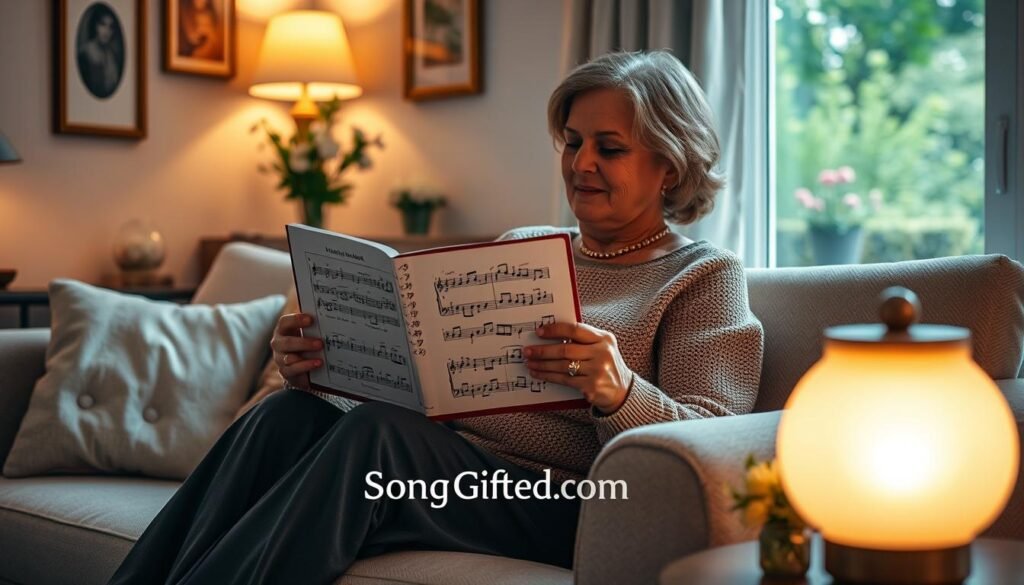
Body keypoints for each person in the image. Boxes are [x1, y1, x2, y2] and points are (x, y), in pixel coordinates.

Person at [108, 49, 763, 584]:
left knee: (381, 437)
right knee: (285, 415)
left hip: (565, 501)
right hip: (445, 471)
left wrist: (618, 391)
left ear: (669, 164)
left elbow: (715, 446)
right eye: (572, 142)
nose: (581, 162)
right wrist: (322, 369)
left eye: (609, 148)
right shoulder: (525, 247)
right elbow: (432, 385)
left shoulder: (703, 276)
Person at [77, 7, 122, 99]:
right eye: (102, 24)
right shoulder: (85, 53)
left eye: (110, 27)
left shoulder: (112, 55)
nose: (106, 31)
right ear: (95, 26)